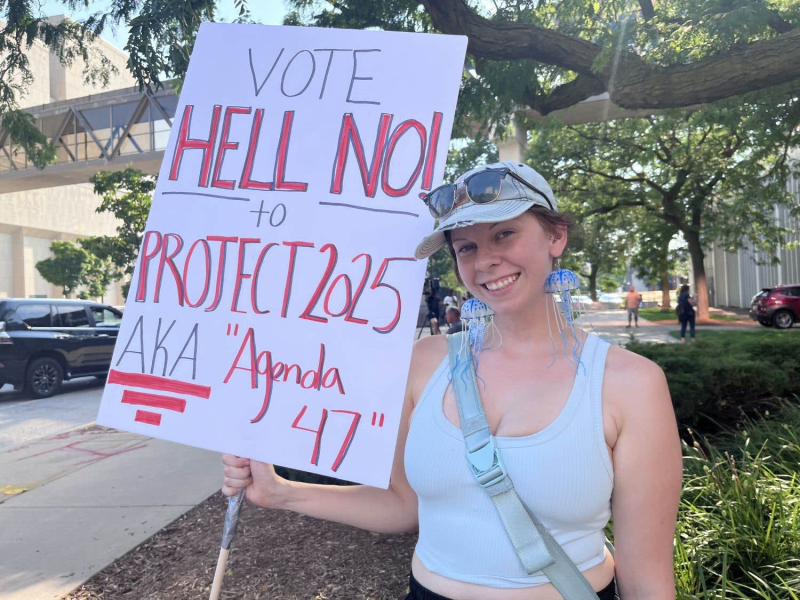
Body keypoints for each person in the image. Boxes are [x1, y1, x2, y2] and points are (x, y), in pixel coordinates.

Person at [222, 161, 682, 600]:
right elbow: (403, 506)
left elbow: (647, 586)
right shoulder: (424, 364)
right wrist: (281, 493)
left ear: (555, 236)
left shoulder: (630, 384)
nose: (486, 261)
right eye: (466, 247)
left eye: (505, 233)